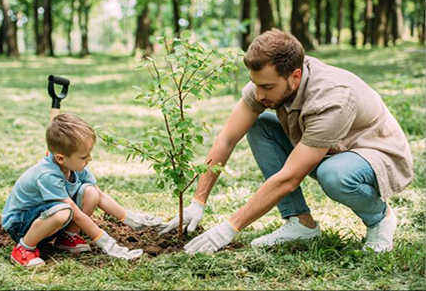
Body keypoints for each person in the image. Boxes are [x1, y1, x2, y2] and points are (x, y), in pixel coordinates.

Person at [161, 28, 414, 254]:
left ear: (295, 76)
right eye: (255, 84)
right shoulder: (267, 84)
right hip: (329, 147)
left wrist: (229, 228)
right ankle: (300, 223)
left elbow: (289, 178)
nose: (259, 95)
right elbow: (227, 138)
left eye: (267, 87)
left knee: (333, 174)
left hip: (375, 153)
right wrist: (198, 201)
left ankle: (380, 219)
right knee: (260, 126)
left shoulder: (332, 99)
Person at [2, 113, 163, 267]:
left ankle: (67, 237)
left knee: (91, 192)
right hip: (21, 224)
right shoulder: (47, 175)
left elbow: (100, 196)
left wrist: (131, 219)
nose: (89, 159)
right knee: (63, 211)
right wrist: (107, 243)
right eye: (84, 156)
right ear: (60, 158)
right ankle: (24, 248)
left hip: (44, 218)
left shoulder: (75, 166)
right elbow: (76, 215)